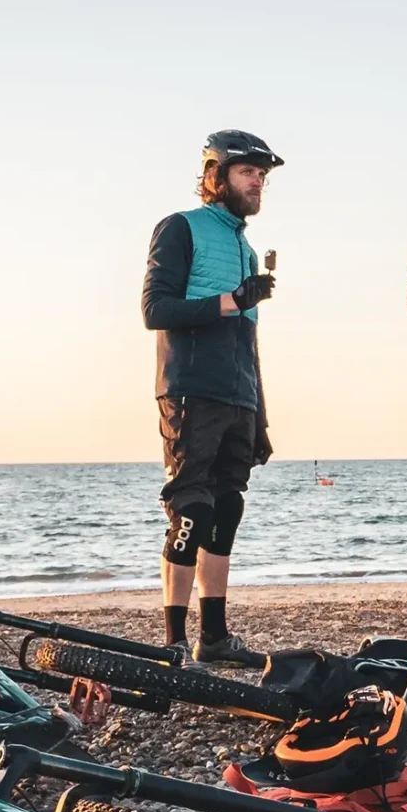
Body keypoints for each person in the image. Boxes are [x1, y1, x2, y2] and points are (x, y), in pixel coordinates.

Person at [141, 129, 281, 660]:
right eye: (249, 173)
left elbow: (251, 340)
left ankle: (214, 638)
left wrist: (260, 415)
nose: (258, 184)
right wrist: (229, 299)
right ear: (215, 175)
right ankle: (174, 643)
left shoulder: (245, 247)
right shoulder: (181, 228)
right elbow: (155, 310)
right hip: (191, 390)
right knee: (192, 510)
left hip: (238, 396)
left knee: (227, 509)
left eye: (262, 176)